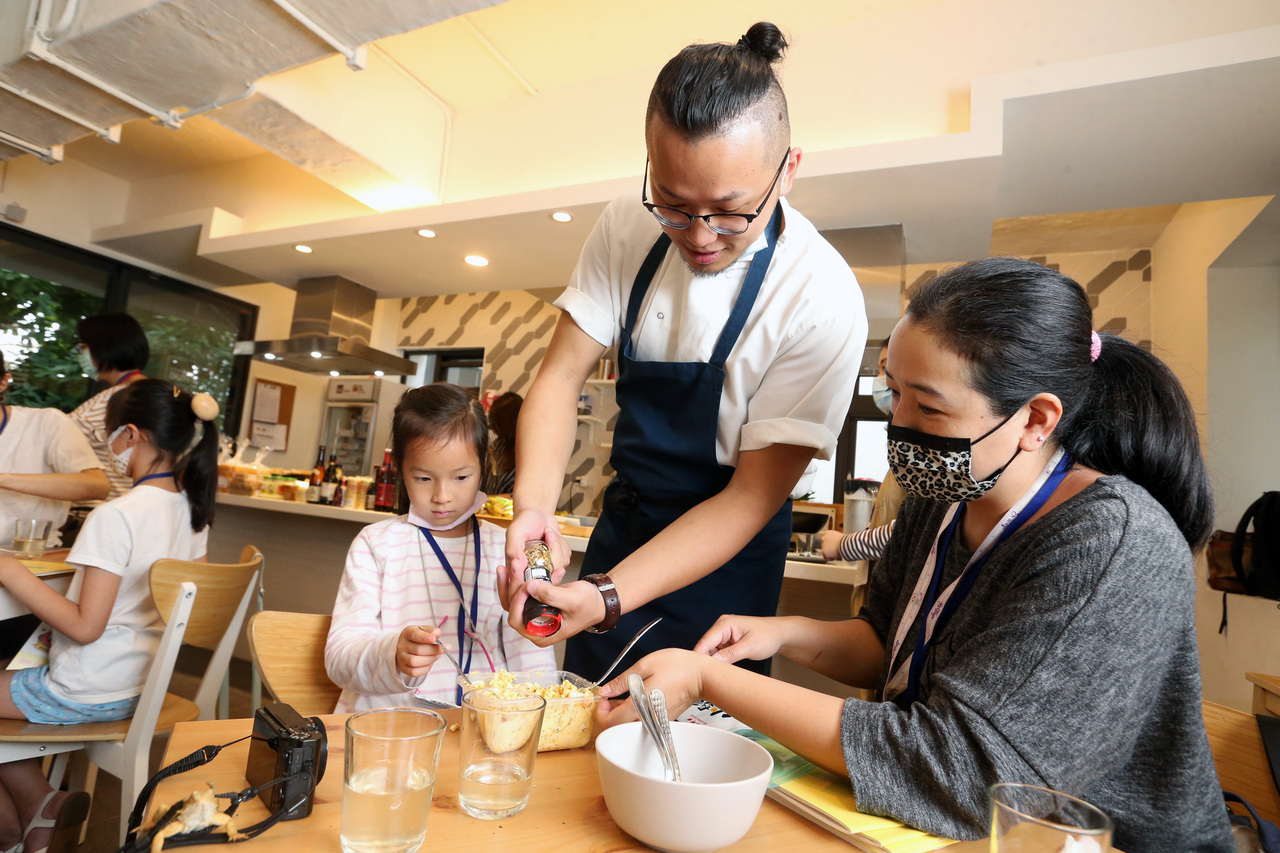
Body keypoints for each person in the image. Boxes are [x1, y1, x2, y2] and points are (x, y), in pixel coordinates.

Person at [597, 258, 1232, 852]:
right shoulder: (948, 489)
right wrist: (785, 634)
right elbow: (889, 639)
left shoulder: (1111, 545)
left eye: (928, 406)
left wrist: (712, 679)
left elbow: (966, 776)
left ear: (1036, 420)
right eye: (891, 394)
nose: (899, 425)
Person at [498, 22, 866, 681]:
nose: (697, 236)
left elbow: (751, 497)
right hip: (623, 532)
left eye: (729, 212)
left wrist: (606, 595)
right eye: (672, 204)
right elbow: (557, 378)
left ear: (789, 172)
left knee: (694, 763)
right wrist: (532, 508)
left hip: (723, 574)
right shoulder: (626, 224)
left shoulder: (821, 295)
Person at [0, 378, 219, 853]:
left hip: (89, 690)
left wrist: (11, 569)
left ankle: (19, 823)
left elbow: (85, 627)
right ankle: (39, 812)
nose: (106, 449)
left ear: (132, 435)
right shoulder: (192, 512)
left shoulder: (115, 516)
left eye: (108, 438)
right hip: (143, 688)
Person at [326, 383, 554, 711]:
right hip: (392, 730)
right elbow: (339, 659)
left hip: (485, 733)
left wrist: (537, 711)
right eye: (423, 478)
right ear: (400, 469)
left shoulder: (505, 546)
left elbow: (533, 656)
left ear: (484, 466)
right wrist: (393, 655)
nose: (442, 496)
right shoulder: (378, 544)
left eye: (461, 477)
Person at [0, 351, 108, 549]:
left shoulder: (45, 423)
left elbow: (97, 485)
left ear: (3, 382)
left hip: (31, 557)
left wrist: (4, 479)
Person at [70, 313, 151, 502]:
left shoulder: (107, 403)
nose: (81, 353)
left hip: (102, 510)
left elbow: (54, 442)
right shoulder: (159, 394)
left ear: (103, 348)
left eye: (83, 346)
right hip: (139, 510)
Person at [483, 391, 522, 495]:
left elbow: (518, 496)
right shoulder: (498, 444)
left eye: (497, 423)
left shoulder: (527, 452)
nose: (492, 427)